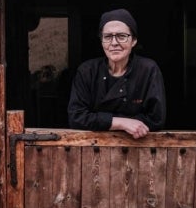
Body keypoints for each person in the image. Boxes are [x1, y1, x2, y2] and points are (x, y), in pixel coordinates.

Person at [67, 8, 166, 138]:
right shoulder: (87, 71)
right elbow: (76, 117)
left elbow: (156, 119)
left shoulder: (148, 70)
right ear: (102, 41)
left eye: (121, 36)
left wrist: (98, 120)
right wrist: (121, 123)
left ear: (134, 41)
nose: (114, 43)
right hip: (92, 148)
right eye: (108, 37)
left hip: (138, 148)